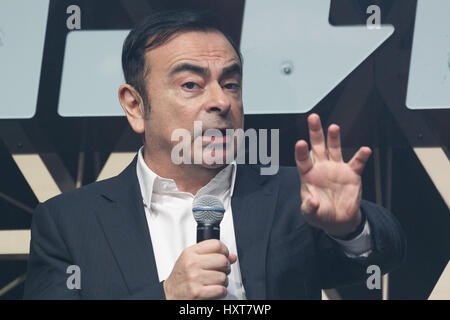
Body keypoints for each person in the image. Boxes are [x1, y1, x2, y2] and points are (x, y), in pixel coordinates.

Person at [23, 9, 406, 300]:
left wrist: (349, 227)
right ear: (135, 105)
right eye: (191, 84)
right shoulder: (68, 223)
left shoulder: (295, 198)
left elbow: (382, 256)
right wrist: (166, 295)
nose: (221, 101)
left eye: (231, 83)